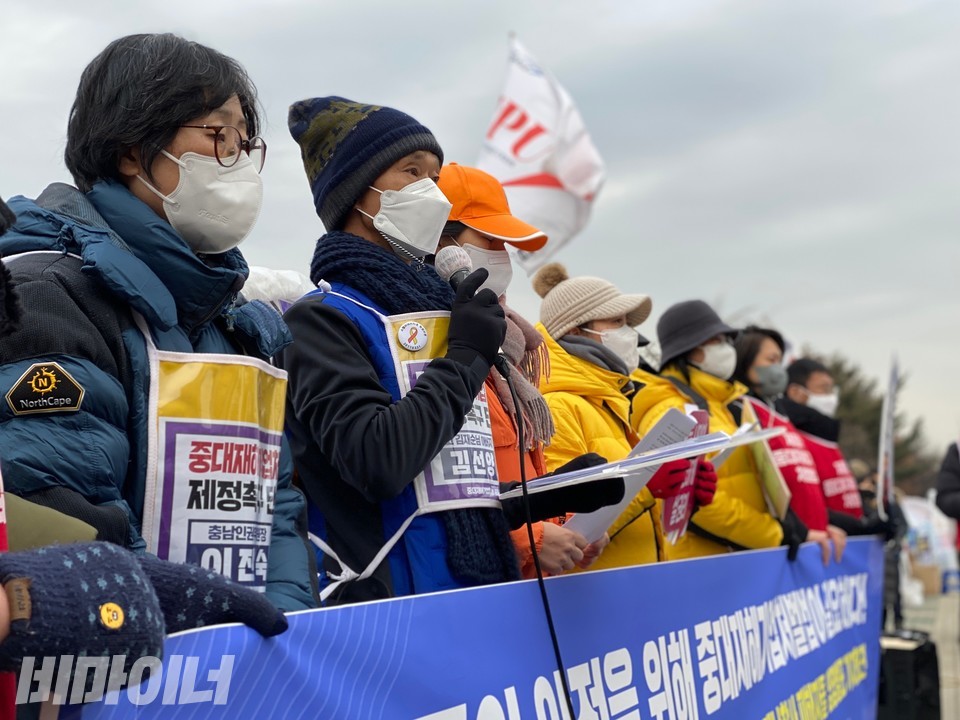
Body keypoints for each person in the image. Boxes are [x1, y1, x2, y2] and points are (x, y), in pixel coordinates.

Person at [0, 35, 317, 611]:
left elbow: (274, 507)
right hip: (124, 676)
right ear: (131, 152)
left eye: (246, 142)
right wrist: (197, 630)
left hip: (250, 672)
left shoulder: (232, 319)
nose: (239, 161)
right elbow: (59, 516)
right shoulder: (48, 295)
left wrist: (285, 629)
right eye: (218, 136)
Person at [280, 98, 621, 605]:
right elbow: (377, 461)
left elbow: (454, 493)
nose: (430, 192)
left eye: (434, 176)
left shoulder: (438, 313)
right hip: (391, 610)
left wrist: (559, 493)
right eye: (411, 172)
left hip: (475, 597)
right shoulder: (326, 318)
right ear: (358, 192)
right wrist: (464, 357)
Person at [436, 164, 610, 578]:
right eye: (489, 239)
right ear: (440, 243)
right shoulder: (433, 347)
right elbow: (434, 495)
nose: (501, 254)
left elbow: (526, 478)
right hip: (477, 591)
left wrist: (566, 529)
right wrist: (525, 544)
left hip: (524, 589)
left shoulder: (509, 355)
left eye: (505, 243)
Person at [530, 264, 716, 569]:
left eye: (628, 322)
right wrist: (646, 487)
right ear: (575, 330)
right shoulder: (558, 407)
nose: (630, 333)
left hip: (632, 591)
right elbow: (564, 527)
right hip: (594, 600)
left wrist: (682, 494)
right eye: (617, 322)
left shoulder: (610, 403)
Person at [632, 301, 811, 560]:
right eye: (716, 341)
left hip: (732, 559)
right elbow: (688, 504)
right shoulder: (673, 410)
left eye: (728, 340)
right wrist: (772, 533)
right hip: (701, 566)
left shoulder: (719, 404)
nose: (727, 349)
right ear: (689, 348)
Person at [732, 326, 845, 562]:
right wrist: (797, 532)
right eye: (771, 359)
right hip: (779, 550)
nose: (779, 368)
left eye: (780, 360)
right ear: (746, 360)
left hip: (812, 543)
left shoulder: (779, 413)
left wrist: (821, 525)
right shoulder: (739, 410)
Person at [778, 358, 866, 529]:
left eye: (832, 390)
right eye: (823, 389)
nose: (831, 397)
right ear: (796, 392)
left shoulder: (827, 439)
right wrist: (857, 526)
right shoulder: (793, 438)